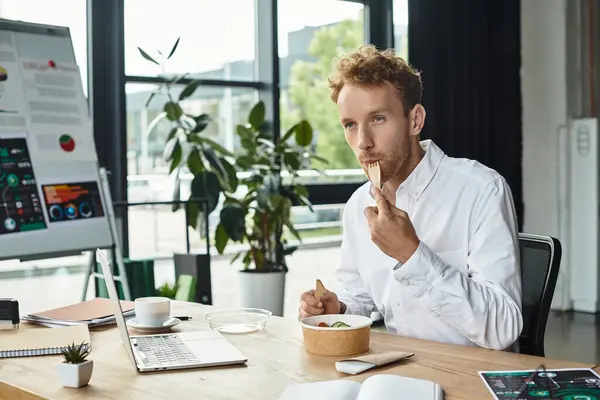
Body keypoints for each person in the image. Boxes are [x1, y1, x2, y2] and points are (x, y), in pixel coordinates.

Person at [298, 45, 523, 351]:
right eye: (350, 125)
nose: (362, 142)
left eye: (377, 119)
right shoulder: (356, 207)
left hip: (475, 381)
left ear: (415, 120)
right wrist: (338, 310)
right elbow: (360, 296)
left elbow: (504, 328)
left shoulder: (481, 189)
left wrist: (411, 254)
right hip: (399, 370)